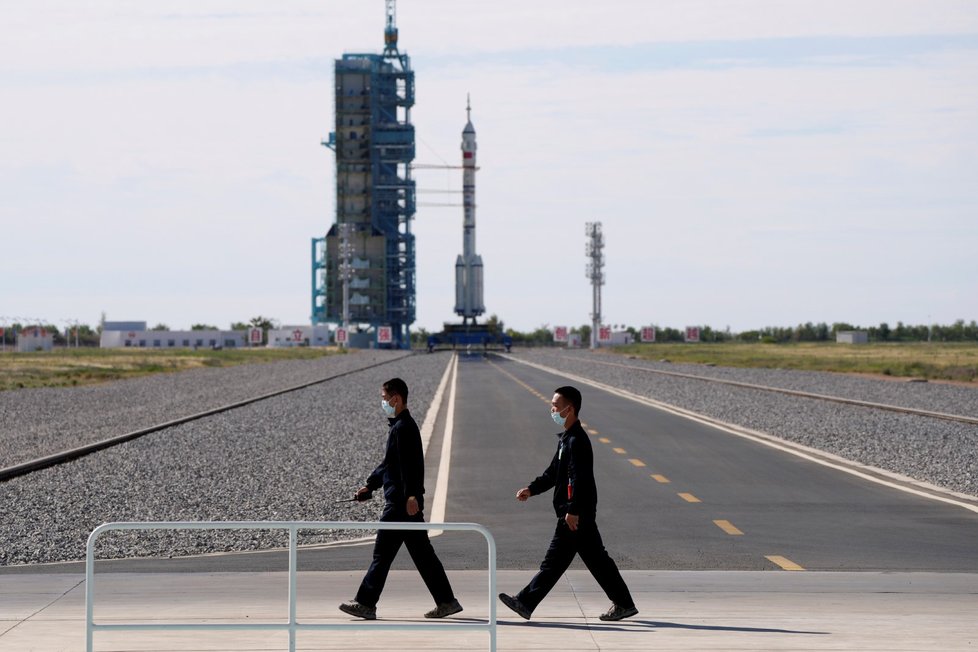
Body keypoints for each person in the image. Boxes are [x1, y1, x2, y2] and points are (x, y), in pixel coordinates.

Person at [498, 385, 638, 622]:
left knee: (554, 562)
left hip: (575, 514)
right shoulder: (567, 439)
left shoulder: (576, 441)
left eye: (555, 405)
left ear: (569, 409)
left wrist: (573, 510)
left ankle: (525, 601)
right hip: (577, 512)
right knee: (597, 561)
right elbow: (554, 472)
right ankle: (624, 603)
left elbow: (580, 479)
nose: (551, 409)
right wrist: (531, 489)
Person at [338, 377, 463, 620]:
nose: (382, 402)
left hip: (401, 504)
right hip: (404, 503)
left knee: (382, 555)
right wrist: (370, 486)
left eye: (384, 399)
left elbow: (413, 466)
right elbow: (389, 465)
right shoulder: (399, 427)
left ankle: (365, 603)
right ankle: (447, 601)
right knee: (423, 556)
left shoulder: (404, 428)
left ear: (396, 398)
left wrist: (412, 495)